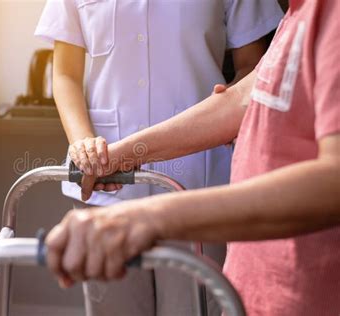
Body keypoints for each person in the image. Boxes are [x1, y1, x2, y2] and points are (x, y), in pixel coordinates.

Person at [44, 0, 340, 315]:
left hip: (287, 275)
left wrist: (148, 217)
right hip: (260, 283)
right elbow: (239, 98)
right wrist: (121, 155)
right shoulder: (300, 16)